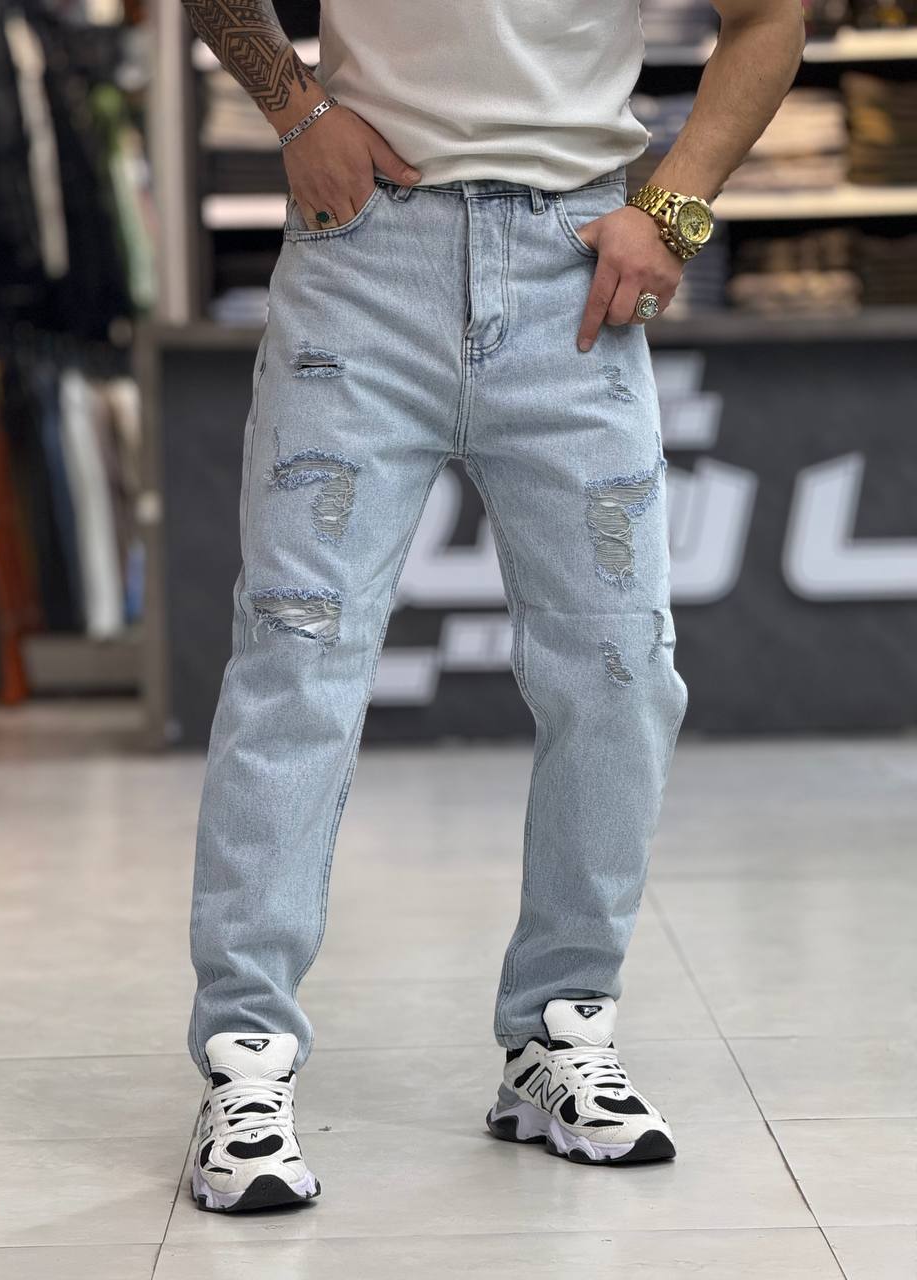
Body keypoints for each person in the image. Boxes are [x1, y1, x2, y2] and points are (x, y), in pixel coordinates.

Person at [181, 0, 805, 1213]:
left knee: (621, 669)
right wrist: (293, 107)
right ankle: (244, 1062)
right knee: (297, 657)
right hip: (366, 252)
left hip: (576, 256)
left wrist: (674, 208)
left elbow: (771, 15)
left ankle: (560, 1032)